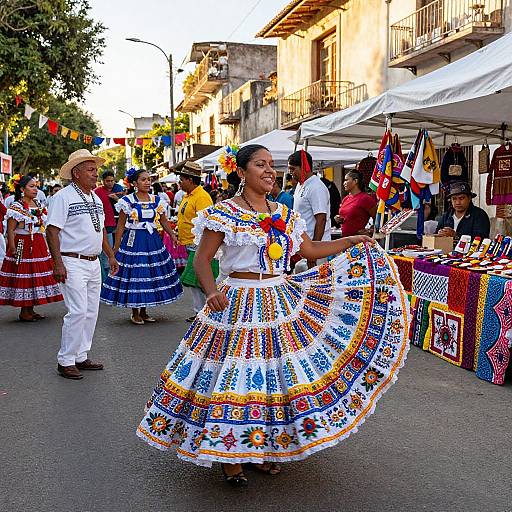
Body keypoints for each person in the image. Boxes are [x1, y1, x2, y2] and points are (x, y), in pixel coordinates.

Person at [136, 144, 410, 486]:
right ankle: (231, 454)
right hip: (236, 300)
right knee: (236, 376)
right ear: (241, 172)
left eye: (272, 165)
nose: (269, 171)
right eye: (260, 164)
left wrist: (351, 240)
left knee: (274, 378)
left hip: (279, 298)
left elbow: (308, 250)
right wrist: (211, 292)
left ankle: (262, 448)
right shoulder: (224, 213)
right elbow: (202, 260)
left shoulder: (286, 213)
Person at [46, 149, 119, 381]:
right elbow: (52, 231)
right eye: (90, 170)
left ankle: (80, 355)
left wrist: (110, 256)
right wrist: (57, 263)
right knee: (77, 311)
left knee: (90, 312)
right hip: (72, 261)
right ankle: (65, 360)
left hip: (93, 262)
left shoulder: (95, 198)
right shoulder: (63, 197)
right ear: (76, 173)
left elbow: (99, 232)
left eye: (95, 169)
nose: (95, 174)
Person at [100, 168, 183, 324]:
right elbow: (121, 225)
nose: (147, 182)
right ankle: (135, 311)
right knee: (136, 273)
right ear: (134, 183)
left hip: (152, 240)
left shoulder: (157, 200)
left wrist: (172, 235)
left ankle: (144, 311)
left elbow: (163, 220)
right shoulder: (127, 201)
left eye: (148, 179)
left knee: (150, 273)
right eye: (143, 180)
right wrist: (116, 248)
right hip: (134, 240)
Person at [0, 174, 63, 320]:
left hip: (38, 243)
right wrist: (14, 249)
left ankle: (31, 309)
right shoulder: (16, 206)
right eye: (31, 186)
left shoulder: (38, 204)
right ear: (22, 189)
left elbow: (42, 225)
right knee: (24, 274)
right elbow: (10, 229)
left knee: (35, 275)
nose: (35, 189)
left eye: (36, 186)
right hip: (22, 243)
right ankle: (24, 311)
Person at [175, 161, 219, 322]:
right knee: (196, 280)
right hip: (190, 243)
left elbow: (207, 223)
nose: (180, 183)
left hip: (199, 243)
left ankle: (203, 311)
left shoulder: (202, 197)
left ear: (190, 180)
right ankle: (202, 311)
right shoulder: (188, 196)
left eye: (182, 179)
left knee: (196, 279)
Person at [288, 150, 331, 268]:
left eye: (292, 169)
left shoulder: (316, 187)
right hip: (303, 246)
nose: (290, 173)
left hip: (316, 248)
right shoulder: (300, 185)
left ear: (304, 167)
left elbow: (321, 219)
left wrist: (313, 253)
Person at [94, 170, 124, 279]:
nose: (110, 183)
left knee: (113, 252)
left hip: (115, 225)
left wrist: (117, 199)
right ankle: (106, 279)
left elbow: (126, 207)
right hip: (103, 226)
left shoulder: (119, 190)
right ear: (103, 181)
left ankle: (109, 278)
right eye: (107, 181)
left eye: (112, 181)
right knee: (105, 254)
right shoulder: (97, 192)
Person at [335, 170, 377, 237]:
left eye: (346, 180)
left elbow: (378, 219)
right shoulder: (346, 198)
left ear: (355, 181)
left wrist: (370, 230)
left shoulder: (365, 198)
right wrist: (338, 219)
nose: (344, 183)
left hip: (358, 241)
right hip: (345, 239)